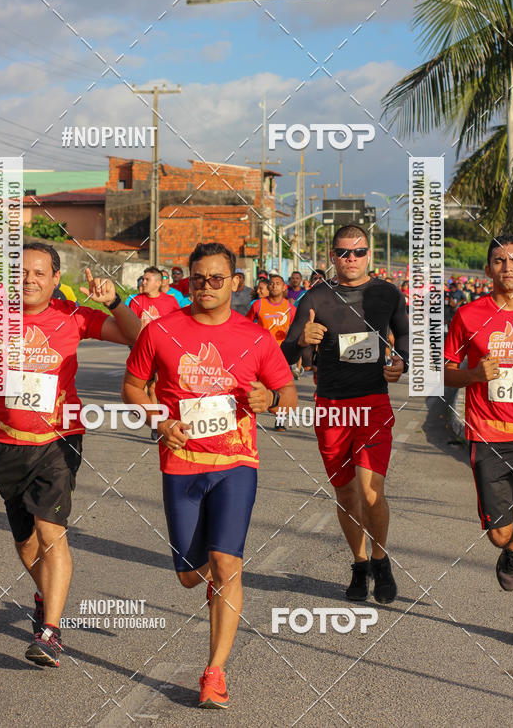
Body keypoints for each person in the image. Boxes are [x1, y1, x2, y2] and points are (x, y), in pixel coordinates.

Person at [0, 242, 141, 667]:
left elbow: (138, 337)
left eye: (39, 273)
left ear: (56, 279)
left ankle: (50, 633)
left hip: (60, 440)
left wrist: (115, 300)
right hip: (8, 443)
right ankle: (45, 594)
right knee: (25, 545)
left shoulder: (73, 315)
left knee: (50, 532)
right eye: (21, 272)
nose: (29, 279)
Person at [122, 242, 296, 709]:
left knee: (226, 564)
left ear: (235, 283)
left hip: (236, 463)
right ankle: (205, 582)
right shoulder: (160, 332)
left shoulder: (256, 337)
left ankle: (214, 671)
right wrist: (159, 421)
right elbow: (133, 386)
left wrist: (272, 402)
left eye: (217, 279)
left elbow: (288, 392)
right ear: (189, 281)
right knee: (189, 576)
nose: (207, 287)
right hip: (181, 464)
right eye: (199, 278)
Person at [281, 224, 409, 604]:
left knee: (372, 494)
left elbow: (404, 336)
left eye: (358, 252)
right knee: (347, 494)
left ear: (369, 254)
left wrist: (401, 362)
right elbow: (284, 352)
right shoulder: (316, 297)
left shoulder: (386, 293)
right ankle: (359, 564)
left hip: (373, 403)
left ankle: (381, 559)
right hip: (332, 408)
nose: (350, 259)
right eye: (343, 252)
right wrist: (302, 341)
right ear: (332, 256)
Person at [444, 234, 513, 592]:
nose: (508, 268)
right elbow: (442, 370)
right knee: (499, 534)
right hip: (489, 436)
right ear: (488, 269)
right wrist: (473, 374)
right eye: (501, 261)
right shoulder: (468, 315)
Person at [247, 275, 294, 346]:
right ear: (268, 287)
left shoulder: (290, 308)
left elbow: (298, 330)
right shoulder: (258, 305)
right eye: (271, 284)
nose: (274, 286)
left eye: (278, 283)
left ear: (284, 287)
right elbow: (246, 324)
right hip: (263, 348)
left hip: (283, 350)